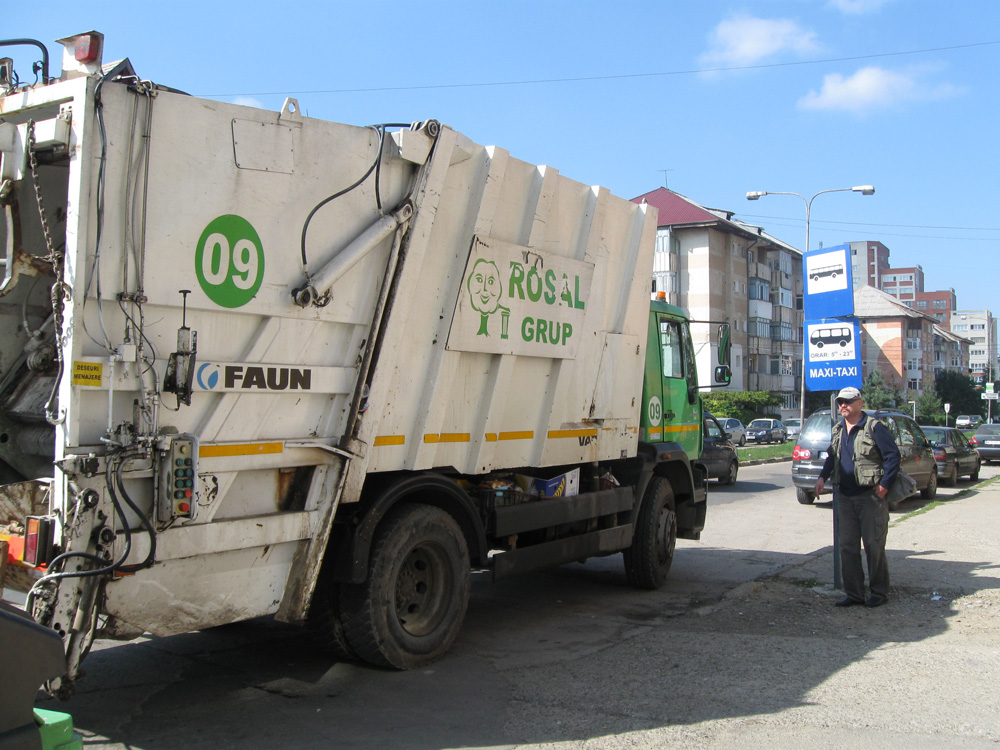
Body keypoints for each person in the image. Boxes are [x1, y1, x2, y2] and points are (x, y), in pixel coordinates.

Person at [814, 386, 900, 608]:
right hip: (844, 496)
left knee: (874, 546)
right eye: (841, 402)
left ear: (860, 403)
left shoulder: (874, 427)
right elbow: (832, 457)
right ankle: (854, 594)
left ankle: (879, 593)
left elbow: (892, 457)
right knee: (847, 547)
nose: (843, 405)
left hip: (870, 496)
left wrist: (884, 486)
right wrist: (822, 477)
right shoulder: (838, 430)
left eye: (848, 401)